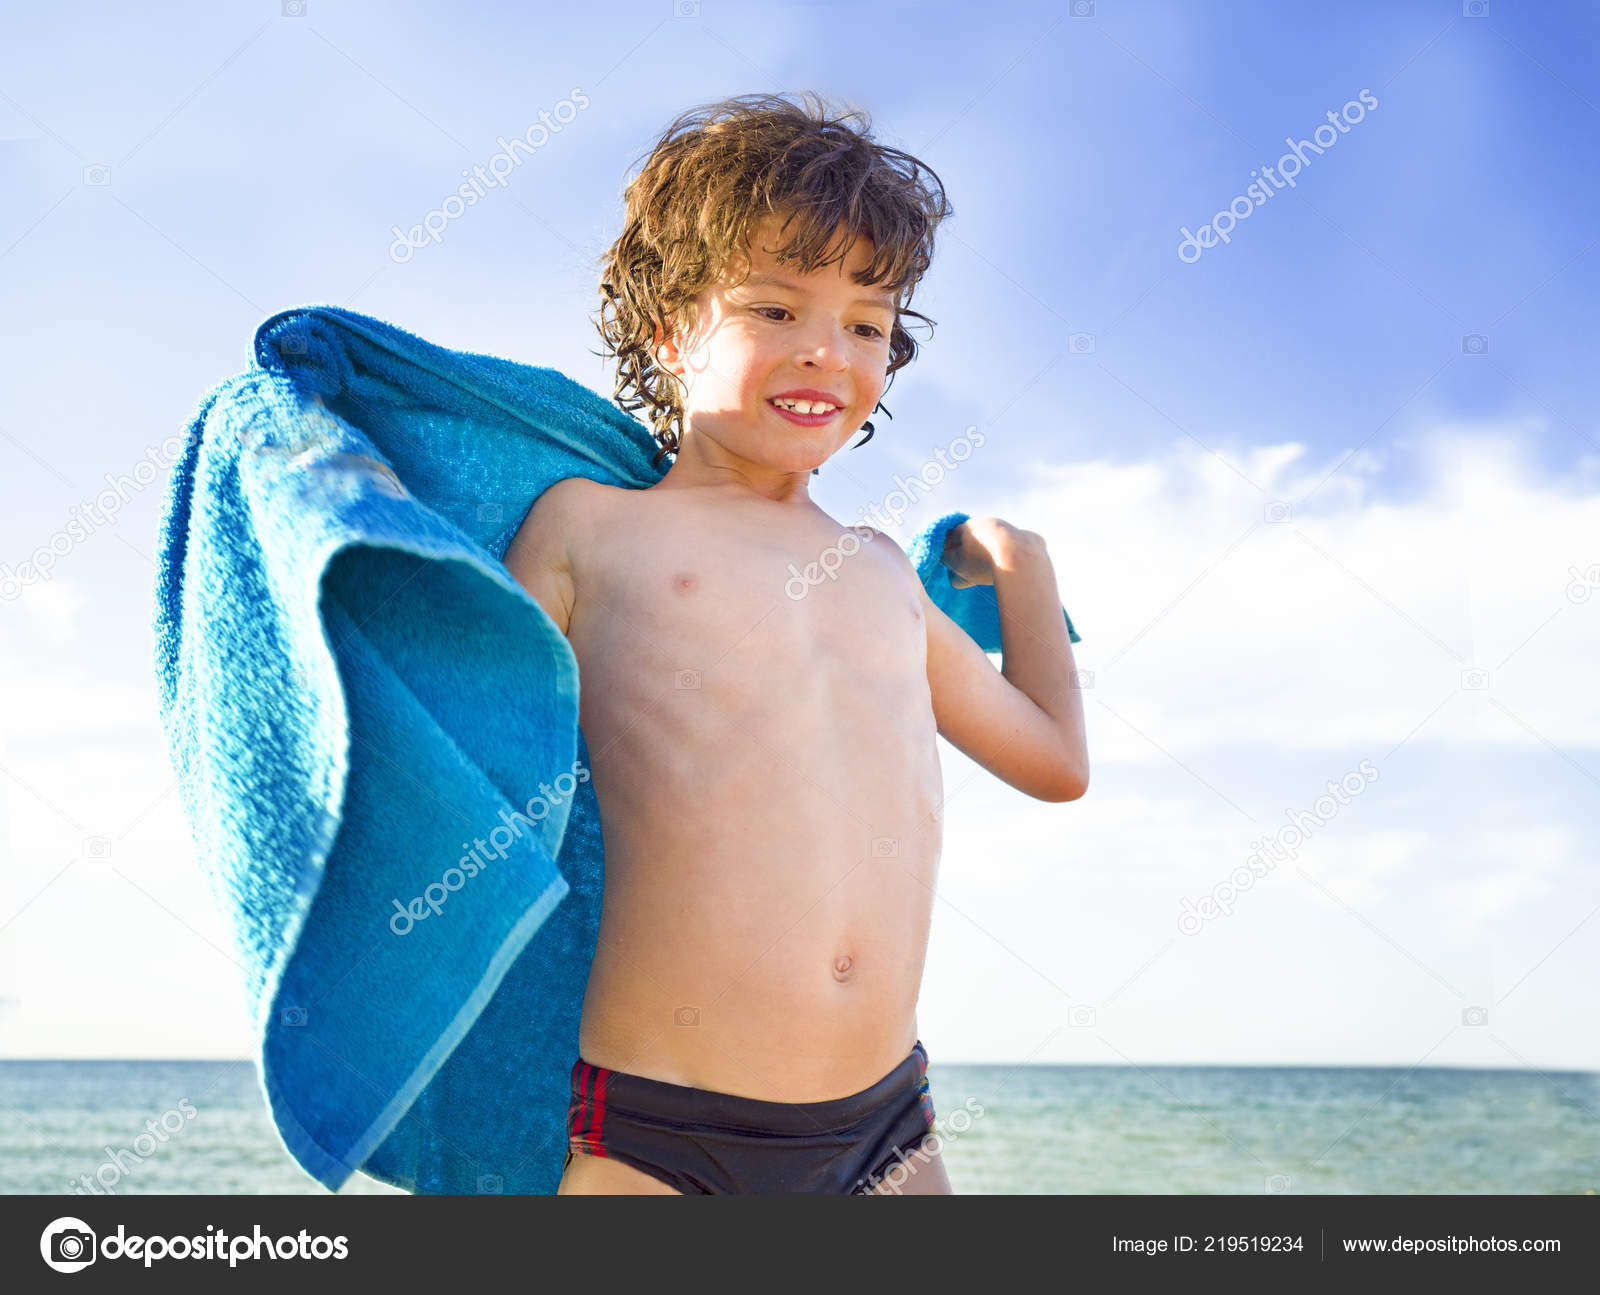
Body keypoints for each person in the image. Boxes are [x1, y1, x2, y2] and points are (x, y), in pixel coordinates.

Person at [504, 91, 1088, 1195]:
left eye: (865, 324)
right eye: (775, 309)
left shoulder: (879, 576)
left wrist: (1021, 560)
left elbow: (1055, 760)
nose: (826, 350)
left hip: (889, 1127)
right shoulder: (590, 529)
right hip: (661, 1132)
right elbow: (458, 744)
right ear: (673, 329)